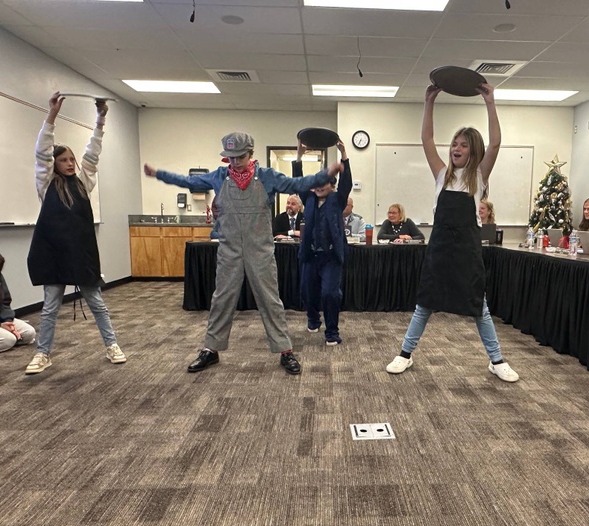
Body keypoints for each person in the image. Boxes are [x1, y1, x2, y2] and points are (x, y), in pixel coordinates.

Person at [144, 132, 343, 375]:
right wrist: (159, 174)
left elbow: (297, 184)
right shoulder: (220, 177)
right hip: (229, 250)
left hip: (260, 250)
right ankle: (211, 349)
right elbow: (189, 182)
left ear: (251, 154)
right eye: (231, 157)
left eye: (240, 156)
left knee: (270, 300)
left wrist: (326, 174)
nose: (235, 161)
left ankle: (285, 350)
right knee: (222, 299)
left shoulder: (267, 177)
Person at [386, 83, 519, 383]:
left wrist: (490, 102)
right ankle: (404, 355)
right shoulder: (441, 175)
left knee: (479, 308)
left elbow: (496, 144)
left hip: (467, 252)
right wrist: (428, 100)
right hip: (440, 250)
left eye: (463, 145)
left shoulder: (479, 177)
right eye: (454, 144)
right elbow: (426, 139)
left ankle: (496, 361)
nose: (456, 149)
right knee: (425, 305)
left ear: (473, 151)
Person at [25, 92, 126, 375]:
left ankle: (112, 345)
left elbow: (93, 152)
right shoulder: (45, 184)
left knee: (97, 303)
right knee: (50, 308)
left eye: (72, 159)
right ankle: (43, 354)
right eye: (64, 160)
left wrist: (101, 117)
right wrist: (52, 115)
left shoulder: (83, 182)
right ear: (54, 164)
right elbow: (42, 151)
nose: (71, 163)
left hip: (81, 255)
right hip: (52, 254)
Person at [293, 139, 352, 346]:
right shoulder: (308, 198)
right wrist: (299, 156)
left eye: (324, 183)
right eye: (316, 184)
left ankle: (332, 332)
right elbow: (298, 180)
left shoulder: (337, 200)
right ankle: (313, 319)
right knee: (307, 292)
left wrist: (344, 154)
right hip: (310, 255)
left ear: (332, 186)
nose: (319, 187)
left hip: (330, 256)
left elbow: (347, 183)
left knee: (329, 293)